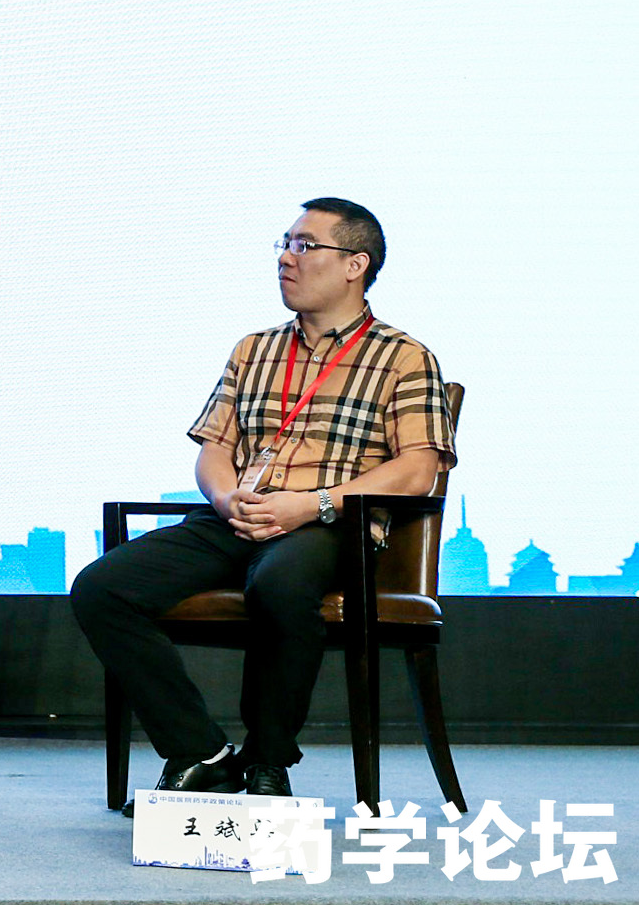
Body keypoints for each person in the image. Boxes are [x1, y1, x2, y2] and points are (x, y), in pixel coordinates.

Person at [71, 199, 454, 804]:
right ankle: (201, 751)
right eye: (285, 243)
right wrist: (227, 498)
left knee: (279, 584)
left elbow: (417, 470)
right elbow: (215, 451)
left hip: (331, 523)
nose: (286, 258)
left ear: (355, 264)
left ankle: (269, 760)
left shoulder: (404, 357)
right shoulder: (254, 350)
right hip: (239, 516)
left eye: (305, 245)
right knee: (102, 588)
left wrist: (311, 504)